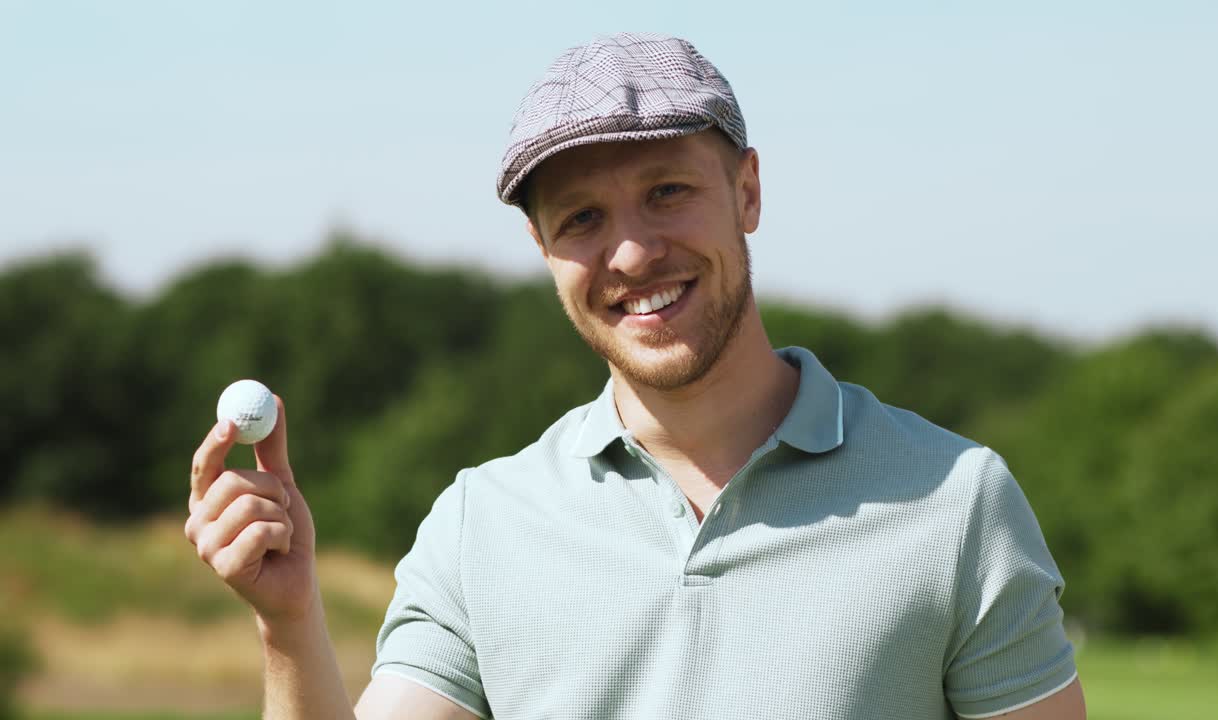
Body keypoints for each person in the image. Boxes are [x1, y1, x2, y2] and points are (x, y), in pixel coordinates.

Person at [185, 33, 1086, 719]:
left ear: (747, 193)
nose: (632, 251)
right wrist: (290, 621)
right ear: (543, 250)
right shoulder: (479, 524)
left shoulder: (957, 502)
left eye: (667, 192)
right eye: (581, 217)